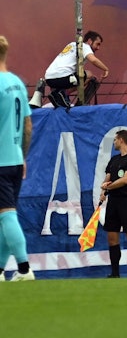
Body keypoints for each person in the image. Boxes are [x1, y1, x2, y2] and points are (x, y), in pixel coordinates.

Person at [0, 36, 34, 281]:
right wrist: (23, 155)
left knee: (7, 215)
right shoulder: (18, 83)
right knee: (5, 215)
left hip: (0, 161)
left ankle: (24, 269)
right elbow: (28, 125)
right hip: (14, 159)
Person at [100, 129, 127, 278]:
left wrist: (108, 187)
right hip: (113, 202)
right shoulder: (114, 160)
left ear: (121, 140)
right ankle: (115, 273)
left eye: (115, 140)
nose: (114, 142)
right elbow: (108, 178)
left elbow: (125, 180)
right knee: (112, 238)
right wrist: (103, 192)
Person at [43, 31, 109, 107]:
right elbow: (93, 60)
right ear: (90, 41)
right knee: (89, 75)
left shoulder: (72, 44)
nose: (98, 48)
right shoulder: (84, 46)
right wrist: (106, 69)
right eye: (97, 44)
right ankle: (63, 94)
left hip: (49, 79)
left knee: (85, 76)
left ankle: (59, 95)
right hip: (62, 78)